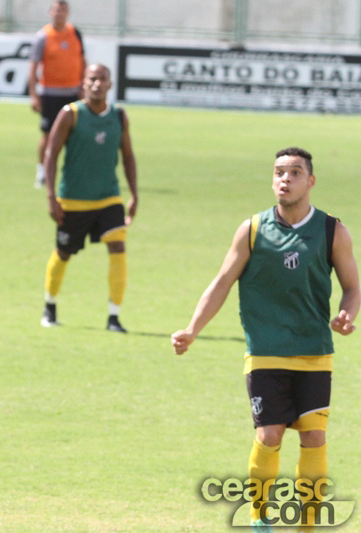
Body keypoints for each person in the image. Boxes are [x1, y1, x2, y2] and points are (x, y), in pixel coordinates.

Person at [171, 148, 359, 532]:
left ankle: (307, 524)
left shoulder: (331, 230)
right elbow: (222, 282)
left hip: (314, 354)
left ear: (310, 181)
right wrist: (192, 328)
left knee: (314, 435)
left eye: (294, 172)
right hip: (265, 353)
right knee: (269, 433)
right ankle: (260, 516)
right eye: (278, 173)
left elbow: (353, 287)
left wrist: (347, 314)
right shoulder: (253, 229)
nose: (284, 179)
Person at [41, 63, 138, 332]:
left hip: (109, 198)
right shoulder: (70, 114)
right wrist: (51, 196)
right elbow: (51, 154)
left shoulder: (119, 117)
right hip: (73, 200)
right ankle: (49, 307)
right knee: (63, 253)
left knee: (118, 249)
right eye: (92, 79)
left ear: (110, 84)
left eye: (102, 79)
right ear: (84, 83)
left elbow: (128, 156)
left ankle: (114, 317)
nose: (97, 83)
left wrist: (134, 193)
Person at [28, 0, 86, 188]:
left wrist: (83, 86)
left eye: (62, 10)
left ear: (67, 12)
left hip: (73, 92)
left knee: (75, 136)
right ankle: (42, 172)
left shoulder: (75, 33)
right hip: (50, 94)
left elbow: (82, 61)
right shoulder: (43, 36)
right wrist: (34, 95)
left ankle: (72, 172)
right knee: (48, 134)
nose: (59, 14)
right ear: (50, 12)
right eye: (56, 10)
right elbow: (33, 67)